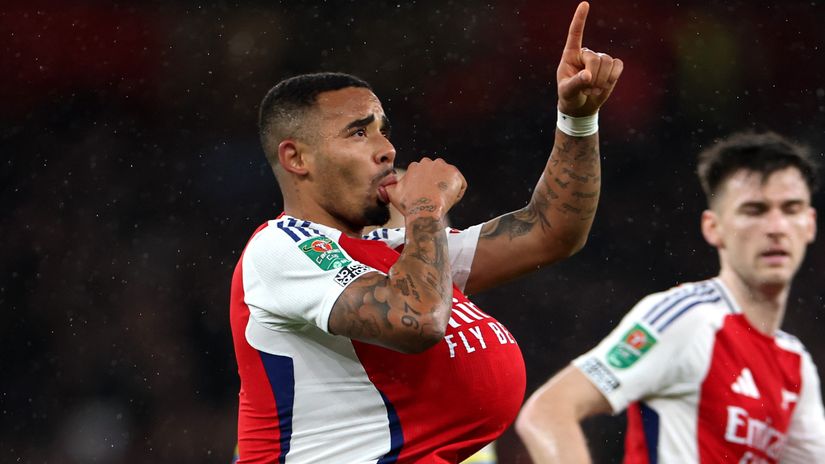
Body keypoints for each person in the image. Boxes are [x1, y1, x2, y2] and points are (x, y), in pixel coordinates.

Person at [229, 1, 623, 462]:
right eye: (359, 133)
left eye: (383, 130)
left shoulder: (392, 248)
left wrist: (576, 118)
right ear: (297, 158)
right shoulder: (280, 248)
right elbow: (416, 321)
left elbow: (552, 230)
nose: (387, 149)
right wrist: (425, 207)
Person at [516, 130, 825, 463]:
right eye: (754, 210)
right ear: (713, 228)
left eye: (791, 209)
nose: (776, 226)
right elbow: (548, 412)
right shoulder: (687, 319)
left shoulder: (796, 363)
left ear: (809, 224)